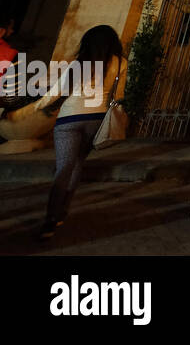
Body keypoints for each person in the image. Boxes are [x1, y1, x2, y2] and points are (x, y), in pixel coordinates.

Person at [31, 24, 124, 239]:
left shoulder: (79, 62)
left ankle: (50, 220)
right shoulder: (120, 62)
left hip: (70, 119)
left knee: (63, 167)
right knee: (77, 164)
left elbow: (58, 91)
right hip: (97, 119)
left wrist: (38, 106)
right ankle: (62, 212)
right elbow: (119, 95)